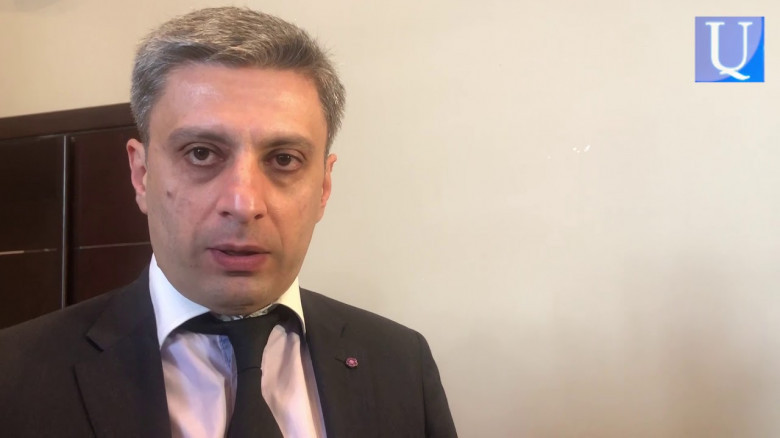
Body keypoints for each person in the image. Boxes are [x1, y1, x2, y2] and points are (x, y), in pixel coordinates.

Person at [0, 7, 457, 438]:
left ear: (323, 186)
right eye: (201, 153)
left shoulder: (401, 364)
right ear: (141, 175)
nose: (243, 203)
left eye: (284, 159)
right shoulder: (15, 376)